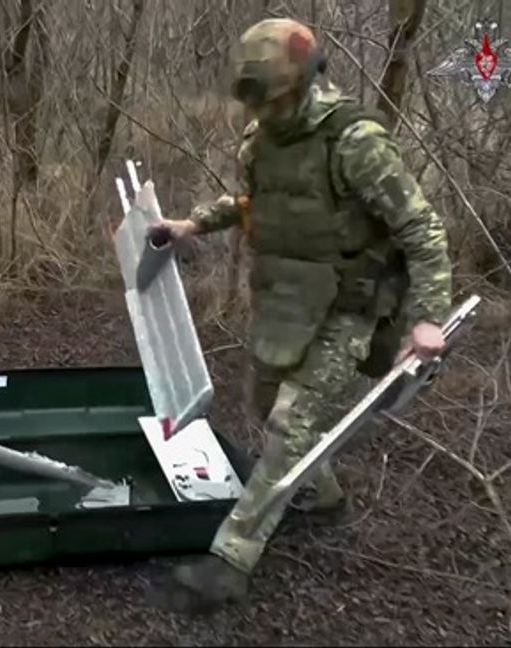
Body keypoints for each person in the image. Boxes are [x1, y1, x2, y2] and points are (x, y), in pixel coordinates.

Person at [147, 18, 453, 612]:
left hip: (352, 305)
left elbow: (423, 230)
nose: (265, 112)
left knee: (289, 423)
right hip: (291, 300)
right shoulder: (262, 143)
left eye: (274, 100)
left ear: (306, 84)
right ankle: (325, 495)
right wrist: (192, 223)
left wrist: (428, 317)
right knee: (265, 406)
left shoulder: (357, 143)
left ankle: (230, 560)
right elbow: (256, 202)